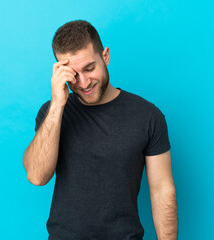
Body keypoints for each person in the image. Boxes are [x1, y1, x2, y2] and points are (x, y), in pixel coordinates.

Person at [23, 20, 178, 240]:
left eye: (89, 68)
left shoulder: (148, 116)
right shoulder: (51, 114)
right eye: (73, 74)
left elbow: (162, 189)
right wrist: (57, 105)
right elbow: (37, 177)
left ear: (105, 56)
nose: (84, 82)